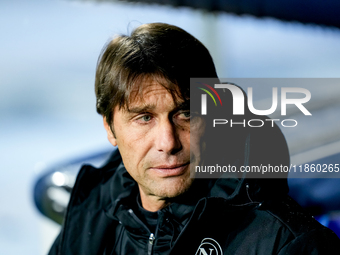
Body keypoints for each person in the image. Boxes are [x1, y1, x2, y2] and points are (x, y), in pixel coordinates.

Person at [48, 23, 340, 254]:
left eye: (186, 113)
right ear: (110, 129)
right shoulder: (90, 214)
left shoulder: (286, 242)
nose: (168, 142)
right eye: (144, 118)